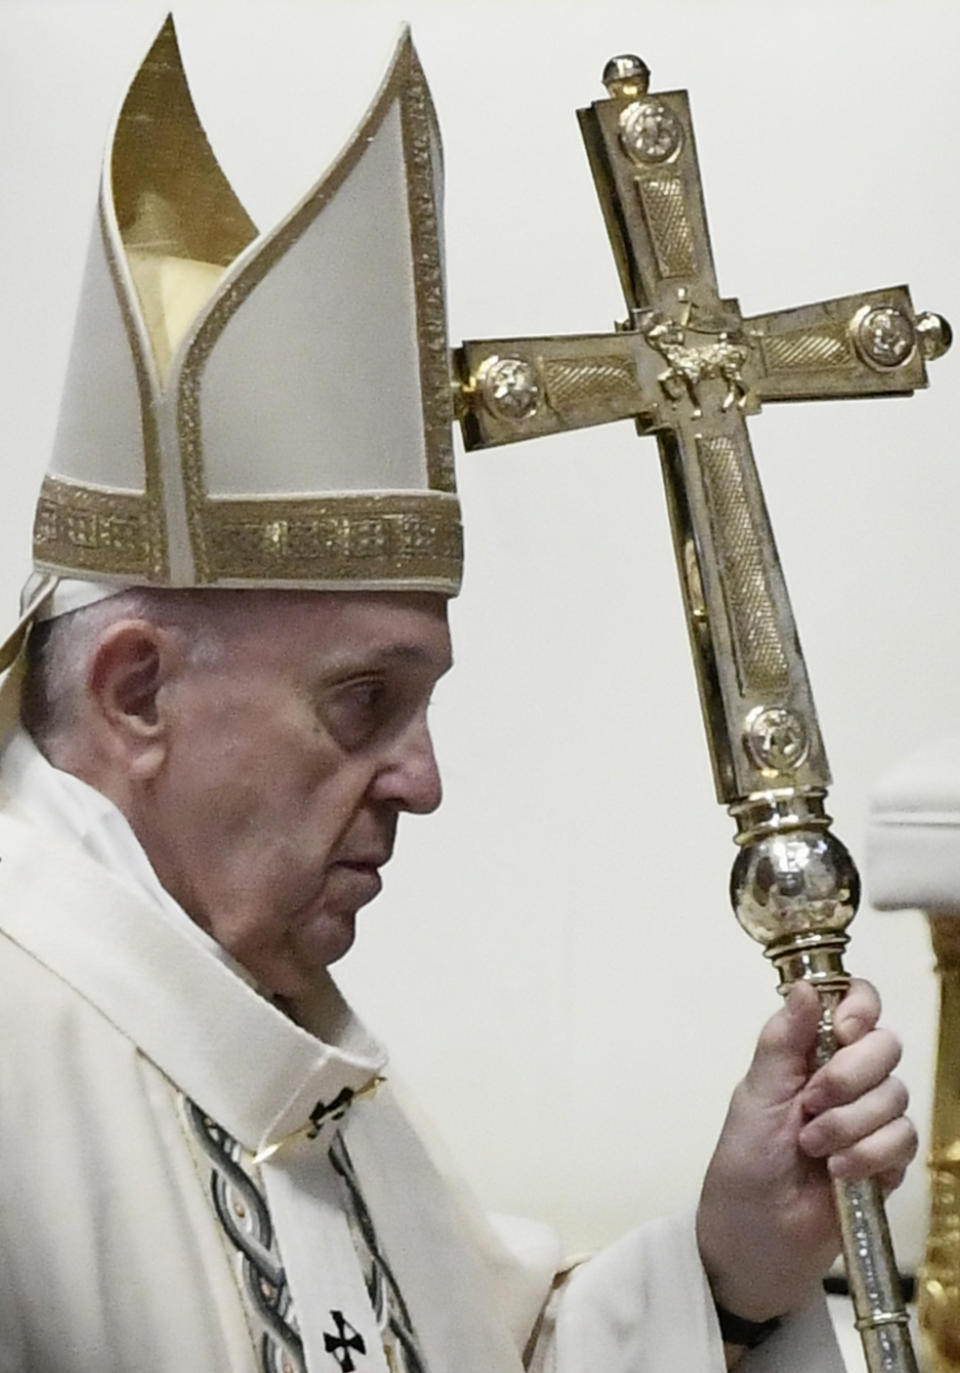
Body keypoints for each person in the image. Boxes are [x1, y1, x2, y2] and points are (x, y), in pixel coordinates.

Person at [0, 17, 914, 1373]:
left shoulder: (272, 1039)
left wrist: (727, 1271)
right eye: (363, 701)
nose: (424, 780)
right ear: (136, 692)